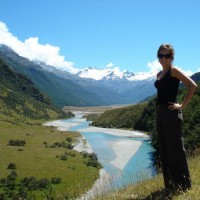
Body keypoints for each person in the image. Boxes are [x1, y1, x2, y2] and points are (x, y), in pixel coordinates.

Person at [154, 44, 197, 192]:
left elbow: (192, 85)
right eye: (161, 55)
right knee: (165, 149)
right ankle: (171, 185)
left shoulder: (174, 71)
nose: (163, 59)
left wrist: (182, 106)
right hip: (160, 113)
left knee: (176, 149)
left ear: (171, 57)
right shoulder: (159, 74)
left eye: (167, 56)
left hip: (171, 112)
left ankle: (184, 185)